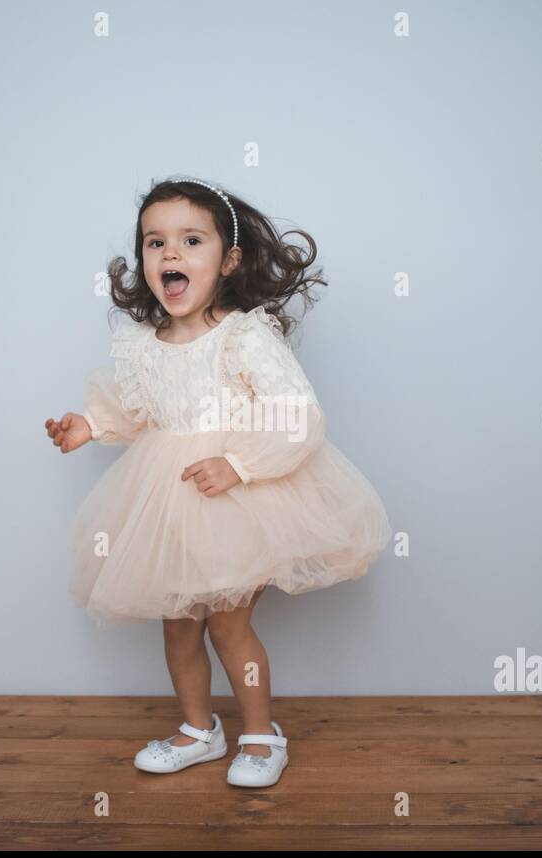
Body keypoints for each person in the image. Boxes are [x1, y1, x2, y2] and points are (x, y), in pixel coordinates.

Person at [45, 176, 390, 787]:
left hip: (239, 498)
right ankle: (199, 730)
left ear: (227, 260)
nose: (170, 255)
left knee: (229, 623)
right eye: (155, 243)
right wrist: (89, 426)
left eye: (191, 240)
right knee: (178, 625)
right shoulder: (144, 346)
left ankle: (261, 735)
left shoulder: (244, 336)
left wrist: (240, 465)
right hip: (167, 498)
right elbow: (140, 411)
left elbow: (297, 413)